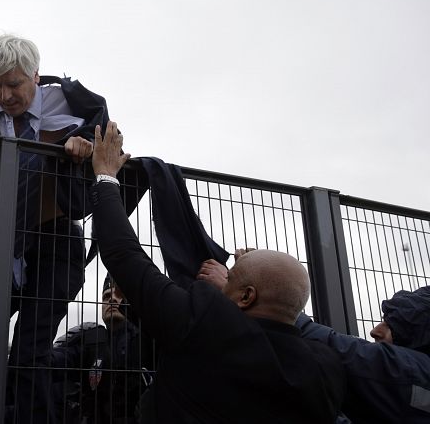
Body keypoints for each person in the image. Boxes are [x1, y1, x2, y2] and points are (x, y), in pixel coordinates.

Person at [89, 121, 346, 423]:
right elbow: (282, 310)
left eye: (230, 277)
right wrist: (255, 272)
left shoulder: (207, 323)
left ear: (247, 297)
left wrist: (105, 176)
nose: (222, 278)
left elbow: (125, 256)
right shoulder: (324, 366)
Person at [0, 34, 109, 424]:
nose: (5, 95)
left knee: (32, 350)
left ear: (35, 75)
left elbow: (108, 148)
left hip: (56, 241)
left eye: (14, 84)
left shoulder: (73, 105)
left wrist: (83, 148)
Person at [298, 286, 430, 423]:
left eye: (395, 325)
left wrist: (284, 308)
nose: (374, 331)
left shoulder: (415, 374)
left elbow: (345, 351)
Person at [51, 274, 155, 423]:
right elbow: (56, 360)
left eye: (119, 295)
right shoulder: (91, 341)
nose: (112, 300)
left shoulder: (150, 337)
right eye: (106, 297)